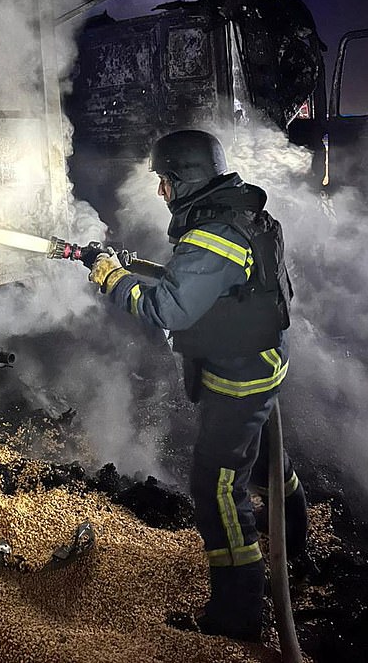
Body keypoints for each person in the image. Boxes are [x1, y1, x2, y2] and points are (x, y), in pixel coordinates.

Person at [88, 129, 307, 642]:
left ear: (185, 179)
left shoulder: (214, 234)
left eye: (164, 180)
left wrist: (111, 279)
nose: (161, 191)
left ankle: (238, 612)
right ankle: (293, 546)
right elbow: (212, 284)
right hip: (261, 363)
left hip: (239, 375)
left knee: (216, 486)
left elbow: (167, 308)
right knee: (264, 460)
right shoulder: (235, 213)